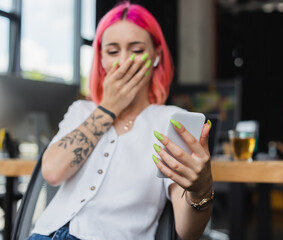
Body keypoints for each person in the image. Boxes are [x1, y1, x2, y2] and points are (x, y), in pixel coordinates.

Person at [26, 1, 213, 240]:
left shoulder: (170, 121)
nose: (124, 61)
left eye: (136, 50)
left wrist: (201, 191)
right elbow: (52, 172)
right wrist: (109, 107)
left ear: (156, 56)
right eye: (113, 51)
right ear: (101, 59)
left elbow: (187, 232)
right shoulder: (82, 111)